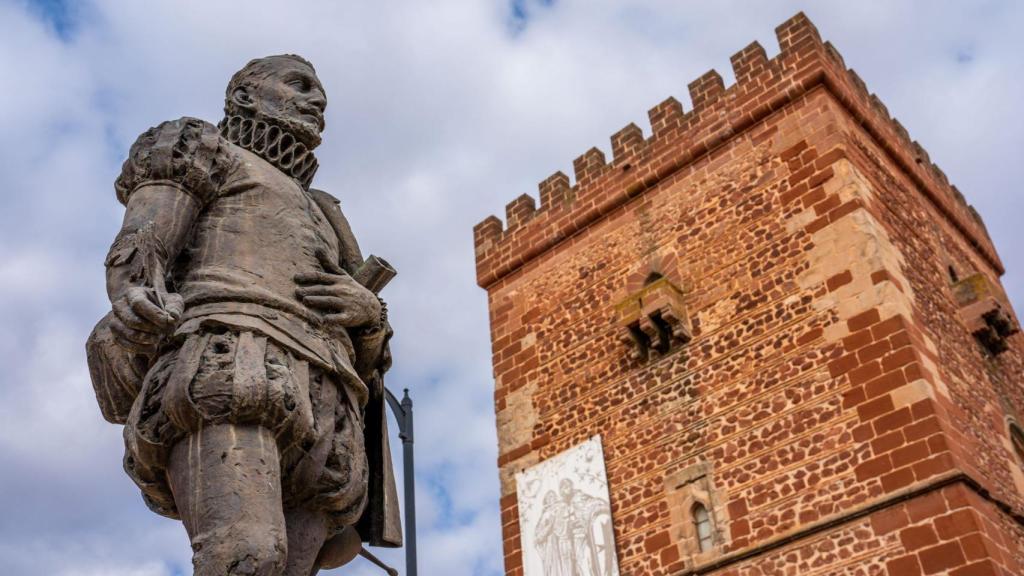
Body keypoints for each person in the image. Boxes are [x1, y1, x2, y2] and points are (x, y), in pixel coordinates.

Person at [86, 54, 399, 575]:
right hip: (233, 365)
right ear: (247, 96)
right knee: (246, 556)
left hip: (330, 404)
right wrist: (135, 291)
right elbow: (145, 239)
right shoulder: (205, 147)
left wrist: (369, 314)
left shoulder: (327, 212)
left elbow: (372, 348)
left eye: (319, 93)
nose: (316, 101)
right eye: (298, 85)